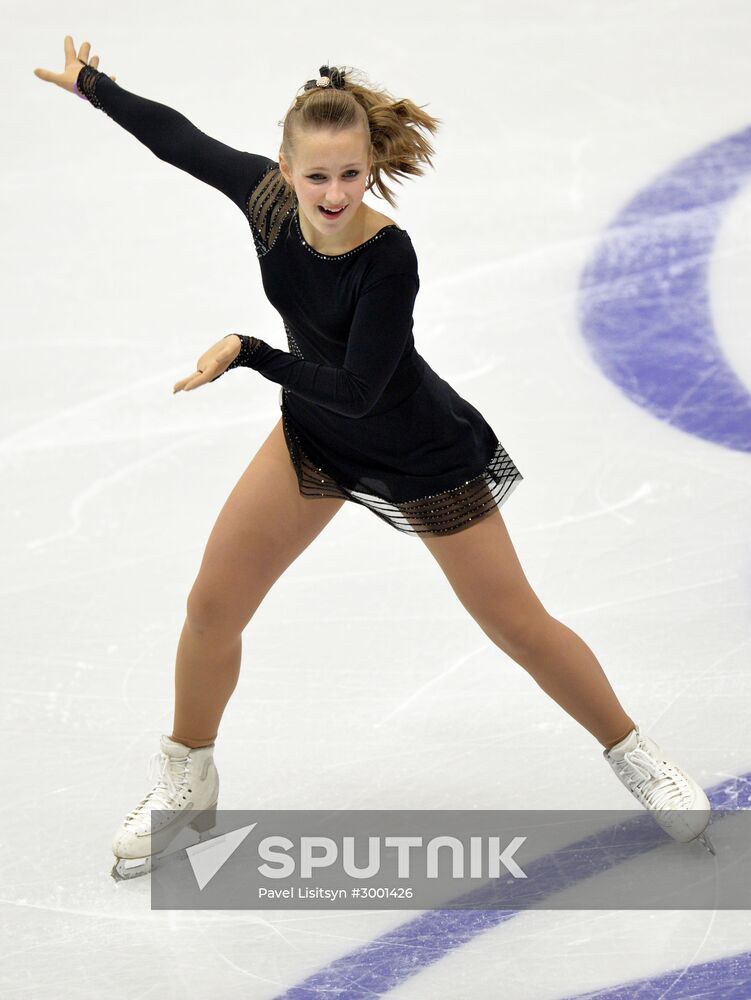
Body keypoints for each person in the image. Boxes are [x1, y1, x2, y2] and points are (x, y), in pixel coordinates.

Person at [35, 36, 714, 879]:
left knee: (516, 624)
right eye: (315, 176)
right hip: (315, 436)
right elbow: (179, 138)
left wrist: (248, 349)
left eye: (349, 175)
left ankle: (634, 756)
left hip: (418, 448)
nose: (332, 193)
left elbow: (359, 388)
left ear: (370, 168)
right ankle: (188, 780)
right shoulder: (266, 202)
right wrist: (94, 86)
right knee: (212, 604)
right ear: (283, 169)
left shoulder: (388, 257)